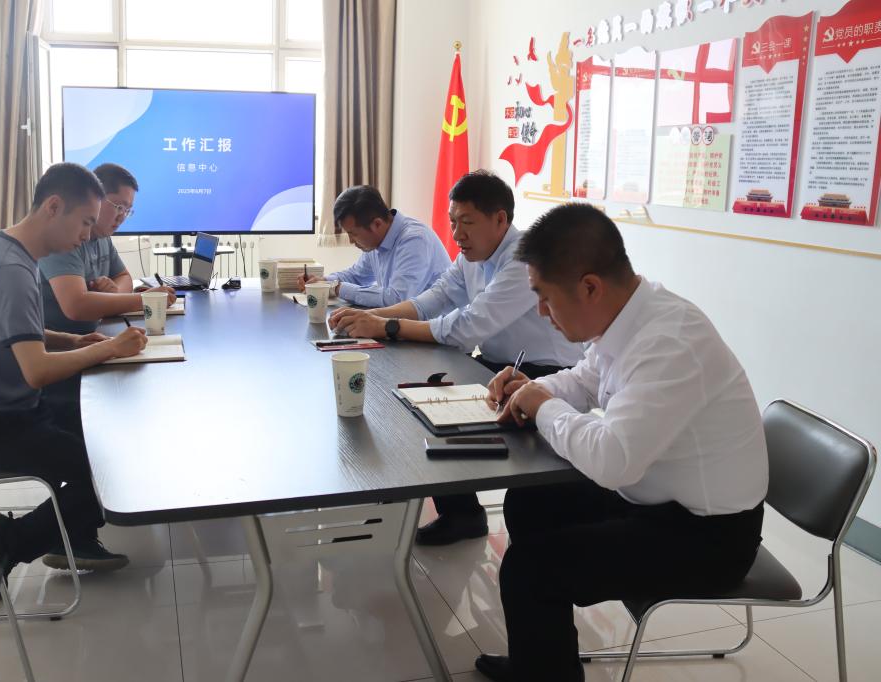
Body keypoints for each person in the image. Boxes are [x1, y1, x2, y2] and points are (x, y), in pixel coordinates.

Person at [473, 203, 768, 682]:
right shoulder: (630, 316)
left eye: (544, 298)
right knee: (530, 502)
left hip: (709, 537)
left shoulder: (671, 341)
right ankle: (544, 661)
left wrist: (543, 407)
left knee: (530, 570)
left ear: (590, 287)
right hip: (654, 498)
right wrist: (534, 389)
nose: (542, 312)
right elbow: (586, 379)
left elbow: (613, 462)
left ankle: (542, 658)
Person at [328, 171, 584, 545]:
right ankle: (452, 511)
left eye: (466, 222)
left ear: (500, 219)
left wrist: (388, 327)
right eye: (452, 222)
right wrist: (371, 319)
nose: (456, 234)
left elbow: (467, 326)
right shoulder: (472, 256)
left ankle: (468, 515)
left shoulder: (525, 259)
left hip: (544, 371)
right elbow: (434, 299)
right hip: (497, 364)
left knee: (441, 409)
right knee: (419, 393)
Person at [0, 162, 149, 577]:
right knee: (108, 473)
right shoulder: (11, 270)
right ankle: (10, 540)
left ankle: (66, 537)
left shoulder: (4, 250)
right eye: (85, 222)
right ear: (54, 207)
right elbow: (36, 371)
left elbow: (19, 331)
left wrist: (73, 341)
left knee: (108, 441)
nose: (87, 236)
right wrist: (109, 348)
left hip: (5, 411)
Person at [39, 163, 176, 335]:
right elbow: (76, 305)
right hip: (64, 344)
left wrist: (114, 293)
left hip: (96, 334)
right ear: (95, 198)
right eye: (119, 207)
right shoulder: (65, 235)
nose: (122, 217)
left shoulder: (103, 236)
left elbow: (124, 277)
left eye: (127, 210)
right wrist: (147, 299)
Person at [296, 185, 450, 307]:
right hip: (405, 324)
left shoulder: (414, 240)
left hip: (433, 331)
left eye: (353, 234)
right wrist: (323, 281)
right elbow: (356, 275)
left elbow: (397, 299)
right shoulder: (377, 241)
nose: (350, 241)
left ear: (377, 224)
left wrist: (337, 288)